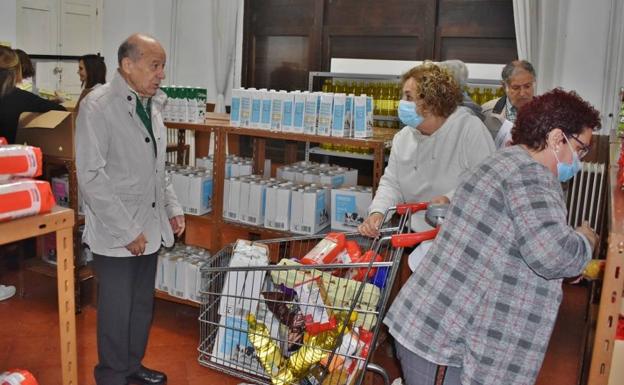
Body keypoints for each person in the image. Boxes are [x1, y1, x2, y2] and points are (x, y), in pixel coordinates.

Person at [384, 88, 600, 385]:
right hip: (446, 341)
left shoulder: (505, 161)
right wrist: (585, 240)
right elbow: (555, 255)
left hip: (432, 325)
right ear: (556, 138)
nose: (581, 158)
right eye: (581, 148)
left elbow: (519, 243)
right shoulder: (531, 175)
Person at [75, 33, 184, 385]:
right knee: (116, 310)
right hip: (117, 231)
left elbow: (157, 168)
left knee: (140, 306)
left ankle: (132, 366)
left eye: (163, 66)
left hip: (148, 224)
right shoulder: (98, 106)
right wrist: (126, 231)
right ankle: (111, 375)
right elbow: (91, 177)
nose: (161, 74)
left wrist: (172, 207)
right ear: (127, 64)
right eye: (155, 65)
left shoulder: (151, 105)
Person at [358, 62, 495, 271]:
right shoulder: (403, 137)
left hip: (459, 246)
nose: (401, 103)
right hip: (415, 238)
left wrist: (450, 198)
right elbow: (392, 182)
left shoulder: (469, 130)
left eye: (408, 97)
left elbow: (489, 182)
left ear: (431, 101)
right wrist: (378, 213)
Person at [0, 46, 66, 144]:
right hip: (8, 156)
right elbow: (61, 111)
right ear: (16, 71)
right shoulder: (21, 98)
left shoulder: (21, 97)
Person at [482, 60, 536, 148]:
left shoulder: (546, 113)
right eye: (516, 88)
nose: (522, 93)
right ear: (504, 86)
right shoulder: (486, 113)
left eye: (527, 86)